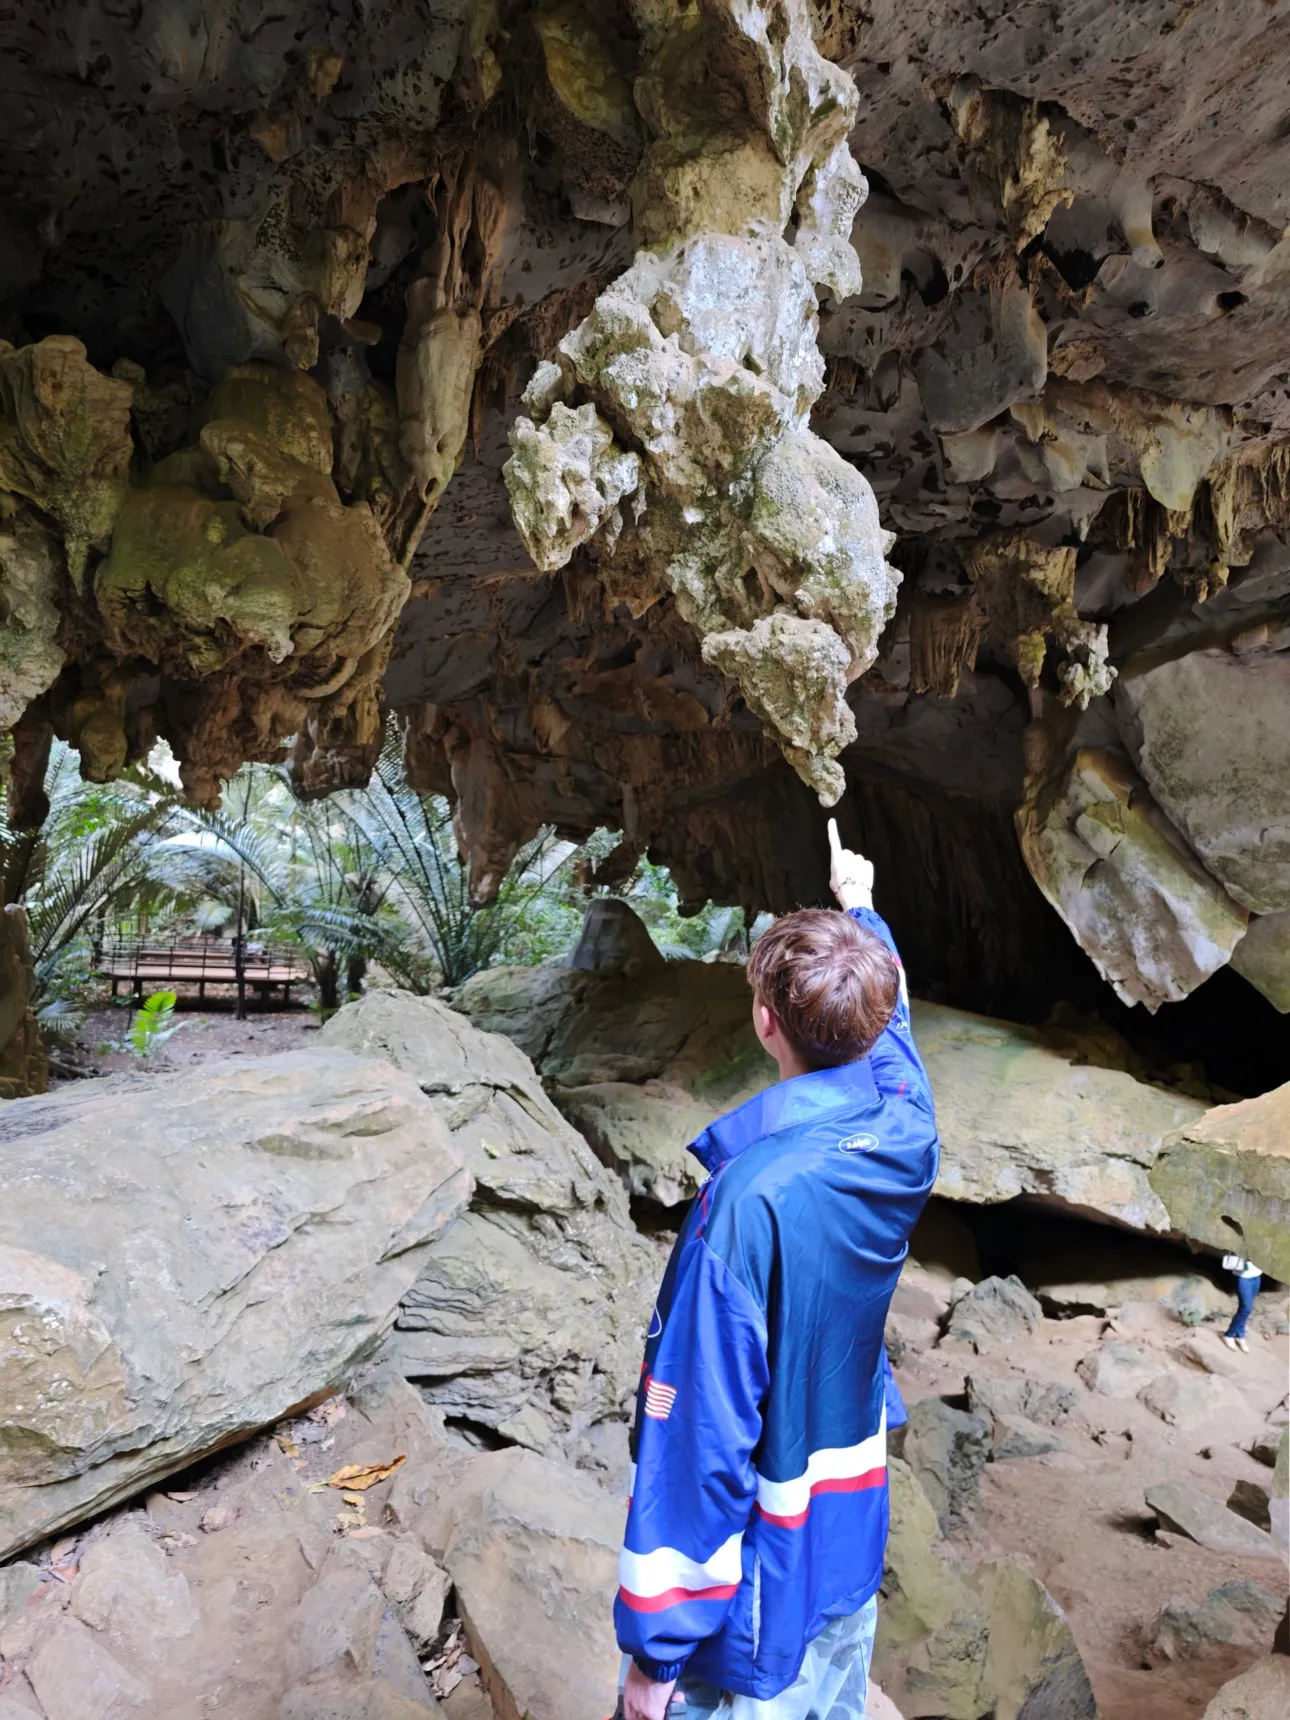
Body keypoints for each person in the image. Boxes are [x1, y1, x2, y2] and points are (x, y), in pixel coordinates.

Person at [615, 821, 940, 1720]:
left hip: (767, 1576)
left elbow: (702, 1436)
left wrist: (655, 1655)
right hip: (849, 1536)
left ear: (764, 1021)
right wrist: (864, 909)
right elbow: (896, 1037)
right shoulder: (906, 1132)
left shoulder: (746, 1204)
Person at [1221, 1254, 1263, 1353]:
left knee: (1244, 1308)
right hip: (1244, 1277)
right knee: (1246, 1308)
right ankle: (1229, 1335)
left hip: (1257, 1276)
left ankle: (1240, 1335)